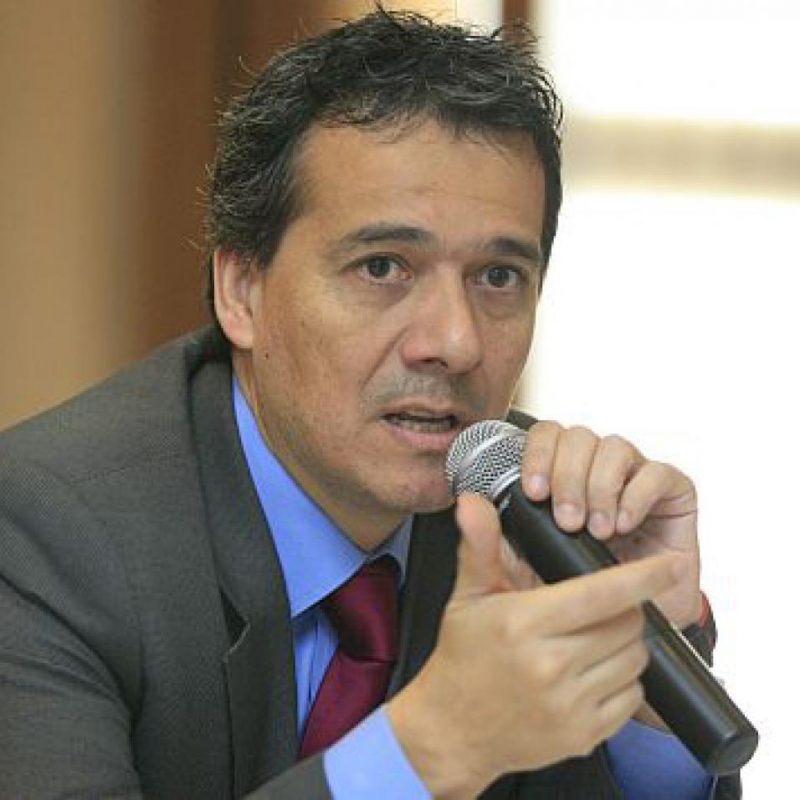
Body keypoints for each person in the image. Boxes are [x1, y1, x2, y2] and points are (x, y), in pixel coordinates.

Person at [0, 8, 742, 799]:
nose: (454, 342)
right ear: (240, 290)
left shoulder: (525, 518)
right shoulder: (42, 533)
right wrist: (432, 746)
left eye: (498, 278)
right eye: (383, 266)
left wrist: (645, 687)